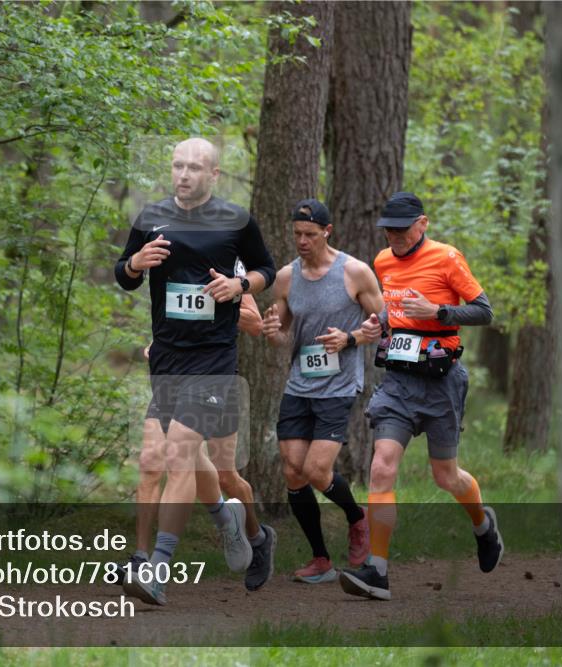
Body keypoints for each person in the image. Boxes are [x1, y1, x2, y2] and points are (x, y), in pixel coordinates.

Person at [114, 137, 277, 605]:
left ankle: (156, 570)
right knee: (158, 458)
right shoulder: (150, 218)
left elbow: (265, 267)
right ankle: (241, 527)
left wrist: (239, 283)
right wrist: (134, 264)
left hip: (213, 360)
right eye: (178, 166)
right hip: (167, 358)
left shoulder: (236, 221)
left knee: (180, 454)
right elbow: (123, 276)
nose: (184, 175)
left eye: (194, 168)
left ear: (214, 175)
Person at [338, 192, 504, 601]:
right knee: (381, 468)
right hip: (397, 381)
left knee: (445, 476)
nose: (393, 235)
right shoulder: (382, 261)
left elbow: (484, 311)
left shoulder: (447, 258)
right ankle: (377, 571)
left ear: (422, 223)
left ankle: (483, 524)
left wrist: (439, 312)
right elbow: (394, 311)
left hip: (441, 380)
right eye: (388, 229)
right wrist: (377, 325)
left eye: (401, 227)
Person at [262, 199, 382, 583]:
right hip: (299, 385)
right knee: (293, 472)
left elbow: (384, 323)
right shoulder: (286, 278)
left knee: (316, 470)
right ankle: (321, 559)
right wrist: (272, 332)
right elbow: (282, 335)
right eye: (296, 234)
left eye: (310, 235)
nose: (302, 241)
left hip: (339, 385)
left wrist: (350, 338)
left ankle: (356, 517)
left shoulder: (355, 273)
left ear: (327, 232)